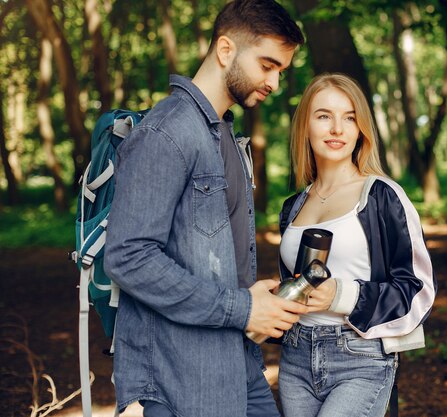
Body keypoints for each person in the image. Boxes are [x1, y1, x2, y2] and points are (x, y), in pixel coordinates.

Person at [103, 1, 306, 416]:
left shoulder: (223, 135)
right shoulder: (166, 133)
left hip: (236, 362)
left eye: (281, 71)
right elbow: (128, 257)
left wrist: (253, 297)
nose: (274, 82)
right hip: (179, 380)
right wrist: (243, 307)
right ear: (226, 50)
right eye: (267, 65)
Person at [276, 73, 437, 417]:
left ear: (361, 128)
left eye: (349, 117)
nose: (337, 128)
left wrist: (341, 295)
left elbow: (418, 290)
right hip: (295, 358)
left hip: (359, 357)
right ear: (305, 125)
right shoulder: (293, 206)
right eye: (324, 116)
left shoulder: (382, 196)